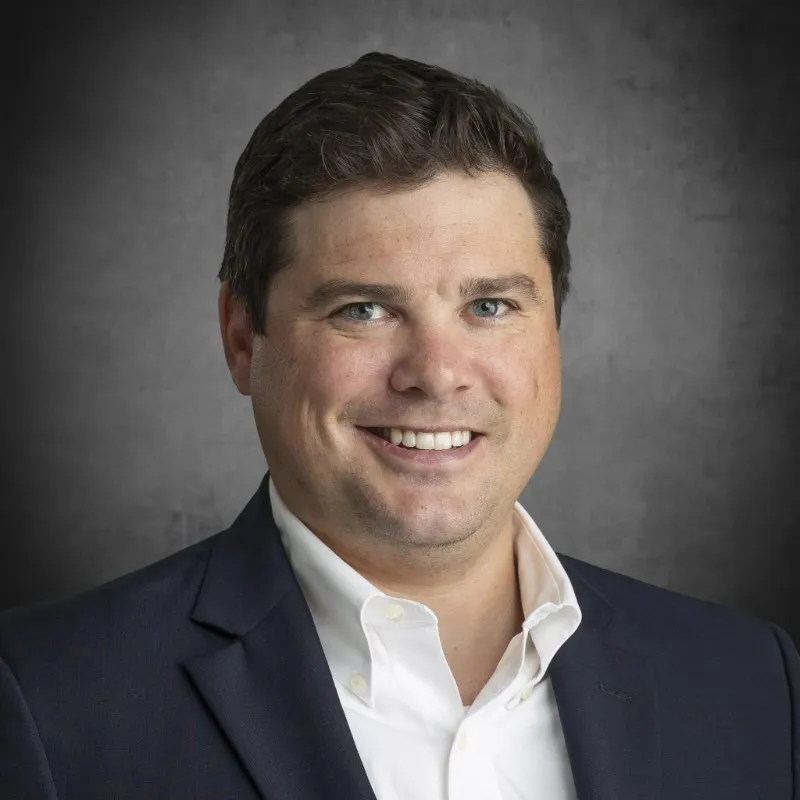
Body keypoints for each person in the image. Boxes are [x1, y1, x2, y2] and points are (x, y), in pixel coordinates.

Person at [0, 51, 797, 800]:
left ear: (555, 331)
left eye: (490, 306)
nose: (436, 372)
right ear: (243, 339)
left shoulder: (752, 684)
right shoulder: (46, 702)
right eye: (364, 309)